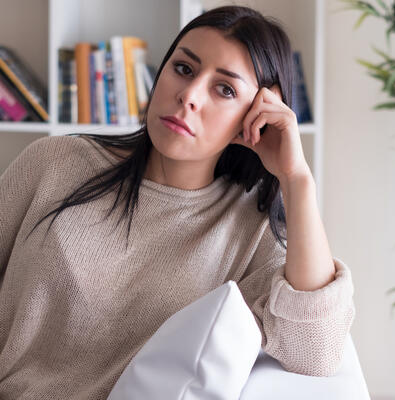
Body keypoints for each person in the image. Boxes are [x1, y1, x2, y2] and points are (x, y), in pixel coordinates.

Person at [0, 5, 355, 399]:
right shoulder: (54, 163)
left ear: (255, 116)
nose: (189, 95)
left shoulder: (250, 232)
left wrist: (297, 180)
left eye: (225, 89)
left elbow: (317, 354)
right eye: (184, 68)